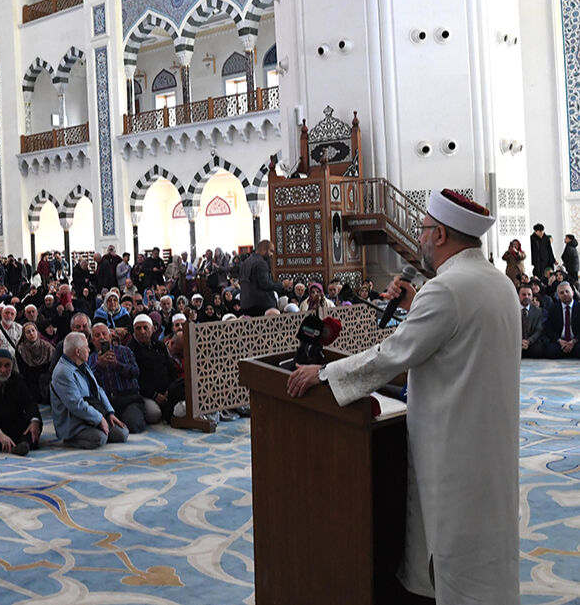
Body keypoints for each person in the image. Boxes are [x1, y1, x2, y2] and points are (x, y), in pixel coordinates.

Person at [287, 189, 519, 603]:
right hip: (491, 448)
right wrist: (415, 306)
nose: (420, 239)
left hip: (453, 452)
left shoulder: (445, 290)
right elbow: (455, 342)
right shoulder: (499, 283)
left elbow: (391, 355)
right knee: (488, 560)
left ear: (441, 235)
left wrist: (322, 373)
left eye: (424, 230)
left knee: (456, 563)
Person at [50, 332, 128, 449]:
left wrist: (109, 413)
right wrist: (99, 419)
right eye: (86, 347)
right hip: (74, 423)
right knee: (100, 438)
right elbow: (76, 405)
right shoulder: (63, 373)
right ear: (77, 352)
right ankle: (68, 440)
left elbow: (98, 389)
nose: (89, 350)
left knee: (122, 433)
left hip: (92, 412)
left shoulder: (82, 364)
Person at [88, 322, 153, 433]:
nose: (101, 337)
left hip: (128, 398)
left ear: (110, 337)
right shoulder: (91, 358)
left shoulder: (124, 351)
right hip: (106, 402)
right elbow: (89, 383)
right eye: (97, 335)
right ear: (93, 340)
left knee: (133, 425)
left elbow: (135, 372)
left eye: (104, 334)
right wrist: (99, 365)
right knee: (99, 426)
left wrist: (117, 365)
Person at [238, 240, 290, 317]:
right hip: (261, 305)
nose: (272, 255)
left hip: (246, 305)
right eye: (271, 251)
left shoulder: (245, 262)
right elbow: (265, 284)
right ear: (263, 250)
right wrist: (282, 285)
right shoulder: (261, 263)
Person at [543, 280, 580, 358]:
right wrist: (559, 340)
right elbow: (548, 328)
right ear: (558, 295)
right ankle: (566, 350)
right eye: (561, 293)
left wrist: (574, 341)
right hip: (560, 341)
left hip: (576, 340)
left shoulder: (579, 307)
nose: (565, 294)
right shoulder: (553, 309)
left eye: (567, 291)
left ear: (573, 292)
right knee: (550, 351)